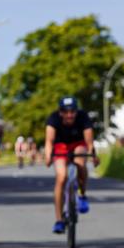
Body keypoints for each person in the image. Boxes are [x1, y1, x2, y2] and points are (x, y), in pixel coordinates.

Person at [44, 96, 97, 234]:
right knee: (61, 177)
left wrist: (93, 155)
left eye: (72, 111)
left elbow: (89, 141)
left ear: (76, 111)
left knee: (80, 162)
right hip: (61, 146)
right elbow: (49, 140)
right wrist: (48, 156)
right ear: (60, 112)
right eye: (66, 112)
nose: (69, 115)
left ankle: (82, 195)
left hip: (78, 144)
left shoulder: (83, 117)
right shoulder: (53, 118)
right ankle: (59, 220)